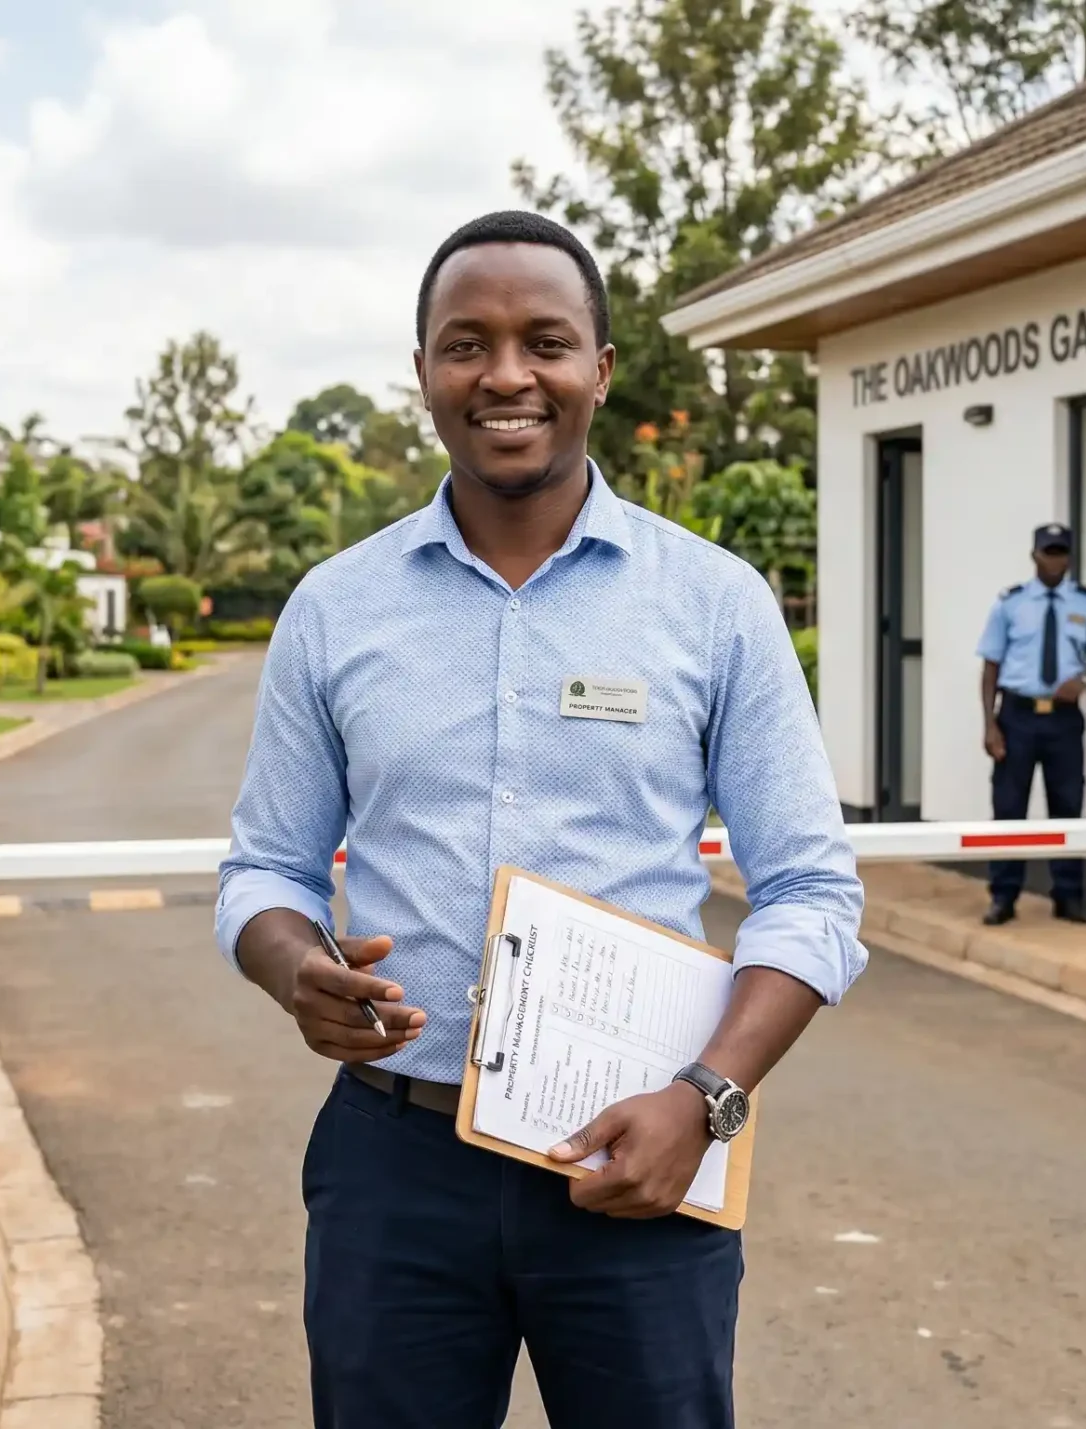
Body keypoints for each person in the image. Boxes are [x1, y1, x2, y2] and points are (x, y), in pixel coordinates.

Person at [216, 209, 864, 1429]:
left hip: (640, 1153)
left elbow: (813, 894)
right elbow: (264, 866)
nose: (506, 374)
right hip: (393, 1161)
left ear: (599, 372)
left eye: (545, 341)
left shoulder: (714, 605)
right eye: (466, 343)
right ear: (421, 373)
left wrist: (707, 1099)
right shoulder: (333, 609)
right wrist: (293, 965)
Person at [976, 524, 1086, 926]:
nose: (1054, 559)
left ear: (1069, 558)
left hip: (1063, 721)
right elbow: (990, 666)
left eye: (1060, 552)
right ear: (1034, 556)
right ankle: (1003, 897)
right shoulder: (1010, 603)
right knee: (1009, 809)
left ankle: (1069, 896)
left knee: (1067, 807)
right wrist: (990, 724)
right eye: (1048, 552)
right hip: (1017, 716)